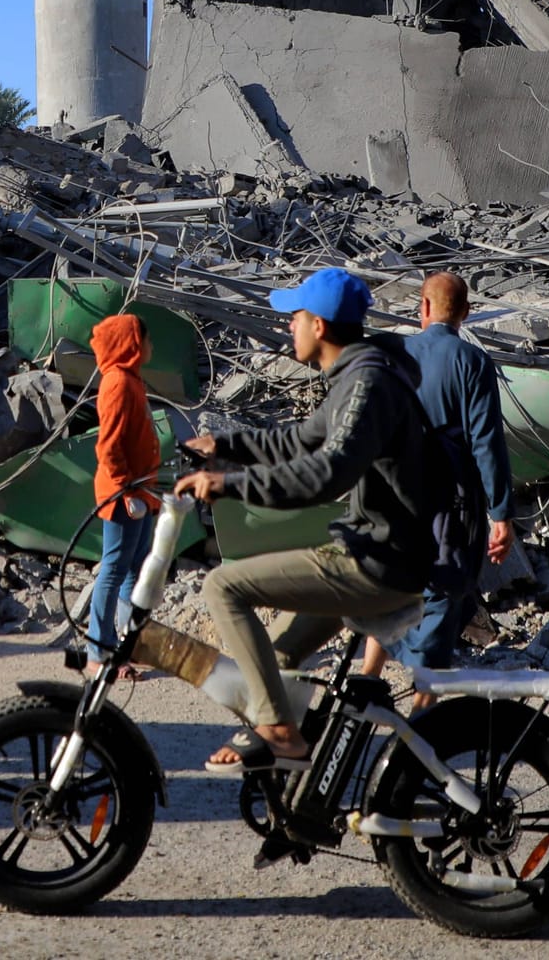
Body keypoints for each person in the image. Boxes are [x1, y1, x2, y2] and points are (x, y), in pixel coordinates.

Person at [171, 268, 434, 775]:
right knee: (276, 658)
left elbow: (328, 474)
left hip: (378, 561)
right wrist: (225, 447)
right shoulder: (355, 376)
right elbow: (299, 440)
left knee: (223, 587)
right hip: (375, 551)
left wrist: (230, 485)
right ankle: (296, 781)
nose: (288, 326)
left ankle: (279, 733)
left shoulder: (368, 384)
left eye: (294, 317)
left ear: (319, 325)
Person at [357, 272, 515, 705]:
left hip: (393, 501)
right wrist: (501, 512)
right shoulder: (472, 363)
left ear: (422, 308)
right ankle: (419, 720)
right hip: (451, 504)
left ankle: (365, 683)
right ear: (465, 313)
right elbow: (486, 442)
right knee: (443, 599)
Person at [84, 314, 162, 675]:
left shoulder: (131, 380)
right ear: (132, 344)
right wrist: (123, 488)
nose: (150, 346)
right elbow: (108, 445)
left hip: (141, 492)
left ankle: (127, 648)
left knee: (135, 570)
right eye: (146, 340)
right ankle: (99, 652)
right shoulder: (117, 383)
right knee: (114, 570)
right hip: (124, 496)